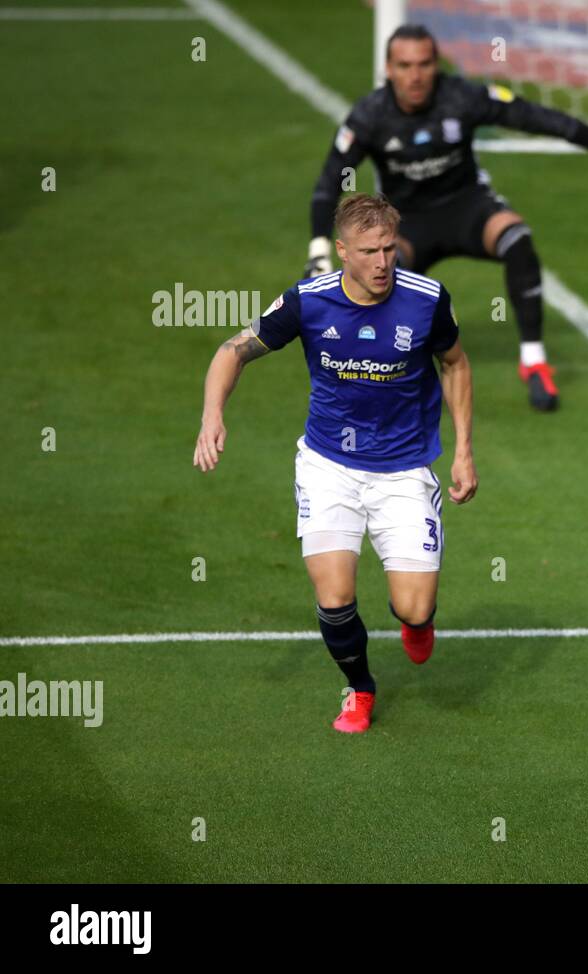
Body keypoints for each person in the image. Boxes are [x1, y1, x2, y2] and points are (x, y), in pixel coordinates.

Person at [194, 193, 476, 733]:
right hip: (329, 465)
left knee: (414, 608)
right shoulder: (308, 301)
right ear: (342, 250)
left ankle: (418, 623)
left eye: (390, 248)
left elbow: (455, 363)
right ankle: (360, 688)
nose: (382, 263)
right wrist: (213, 415)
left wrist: (463, 450)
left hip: (403, 468)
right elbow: (234, 349)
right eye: (369, 251)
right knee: (335, 594)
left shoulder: (427, 299)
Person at [307, 23, 588, 411]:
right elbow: (329, 182)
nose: (414, 76)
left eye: (423, 64)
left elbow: (535, 116)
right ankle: (386, 372)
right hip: (407, 222)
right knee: (381, 271)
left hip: (468, 207)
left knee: (517, 240)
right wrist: (318, 250)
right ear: (388, 68)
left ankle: (534, 361)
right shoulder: (369, 116)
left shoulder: (461, 97)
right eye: (404, 65)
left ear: (436, 65)